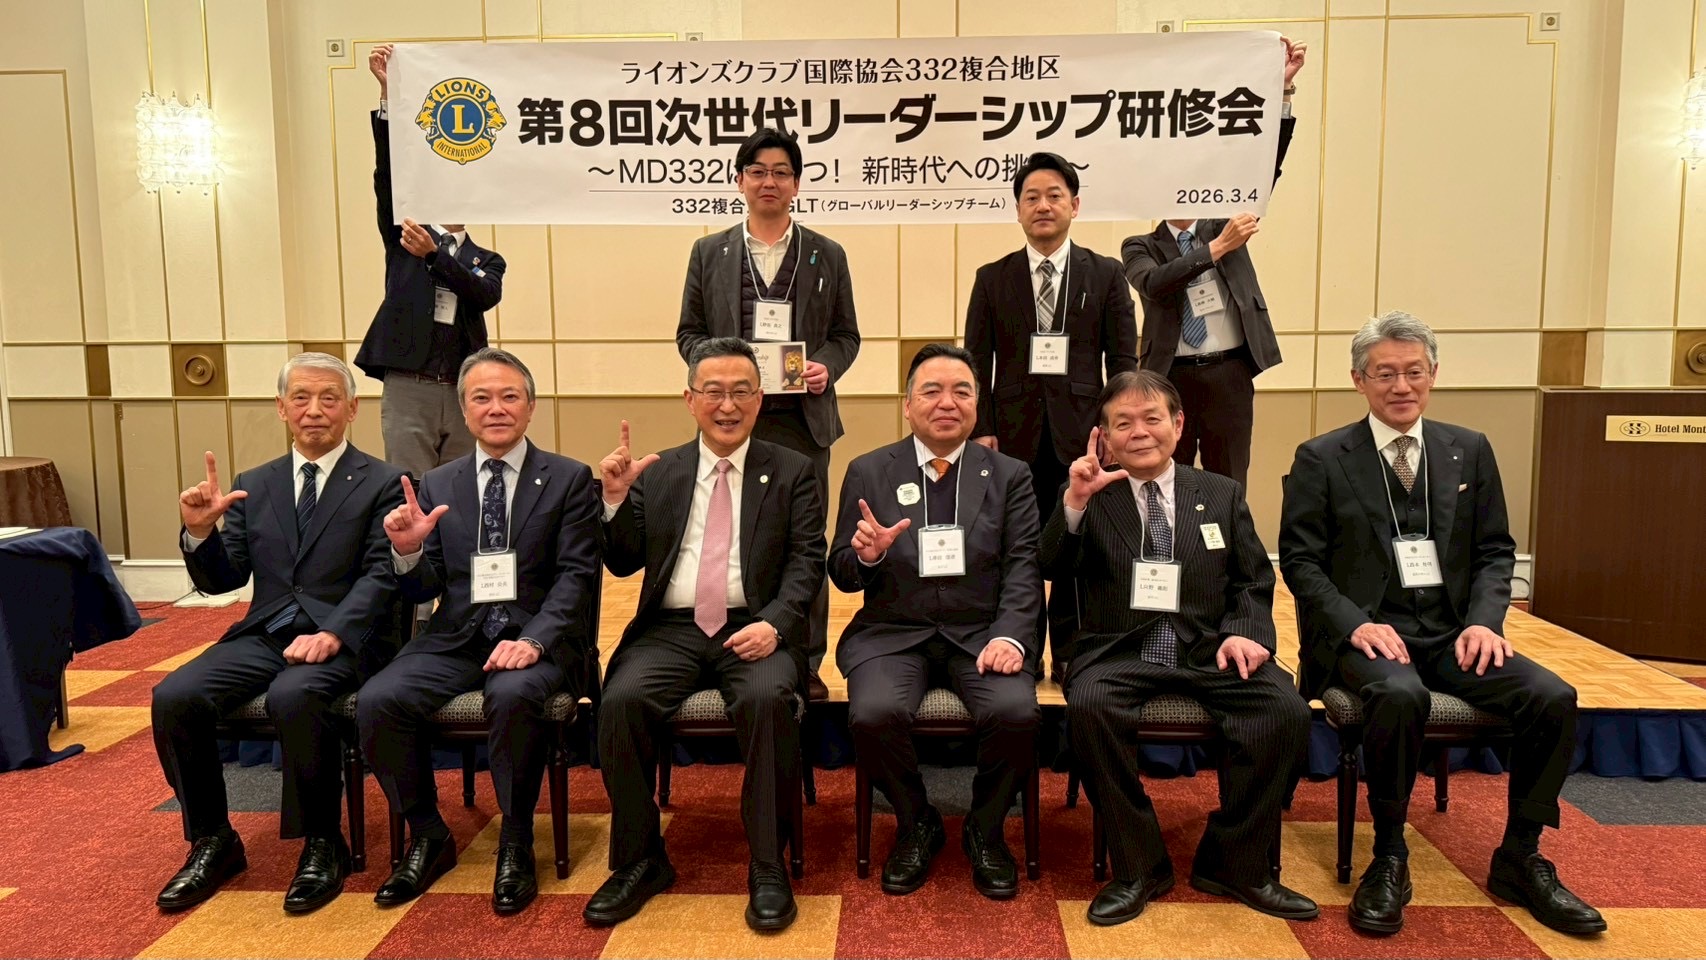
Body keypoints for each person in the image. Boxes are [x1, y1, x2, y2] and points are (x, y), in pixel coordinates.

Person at [1278, 312, 1604, 937]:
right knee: (1400, 695)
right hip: (1368, 636)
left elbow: (1495, 550)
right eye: (1385, 374)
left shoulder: (1469, 448)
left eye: (1414, 372)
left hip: (1455, 635)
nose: (1401, 386)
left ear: (1433, 375)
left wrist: (1485, 622)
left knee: (1553, 696)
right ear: (1359, 380)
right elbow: (1300, 561)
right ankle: (1389, 855)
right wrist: (1353, 625)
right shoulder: (1322, 457)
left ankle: (1521, 855)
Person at [1039, 370, 1317, 927]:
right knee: (1089, 708)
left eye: (1152, 418)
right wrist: (1073, 502)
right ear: (1104, 436)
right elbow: (1050, 565)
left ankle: (1234, 862)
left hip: (1209, 647)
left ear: (1178, 424)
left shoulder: (1219, 492)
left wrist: (1245, 631)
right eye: (1123, 423)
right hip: (1118, 651)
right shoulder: (1091, 493)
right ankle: (1138, 866)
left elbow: (1253, 578)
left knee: (1284, 710)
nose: (1139, 432)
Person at [586, 337, 825, 933]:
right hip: (671, 629)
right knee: (621, 700)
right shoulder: (660, 471)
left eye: (742, 391)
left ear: (760, 398)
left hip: (754, 624)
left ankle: (767, 863)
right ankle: (641, 859)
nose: (728, 405)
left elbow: (807, 561)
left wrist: (776, 624)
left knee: (768, 699)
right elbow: (623, 561)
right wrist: (614, 500)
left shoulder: (792, 469)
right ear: (689, 399)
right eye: (713, 392)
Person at [151, 353, 405, 914]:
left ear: (352, 409)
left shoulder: (384, 482)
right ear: (281, 408)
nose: (315, 410)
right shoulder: (255, 483)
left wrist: (334, 633)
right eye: (301, 398)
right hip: (267, 633)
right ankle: (213, 839)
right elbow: (224, 579)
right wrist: (200, 534)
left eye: (329, 399)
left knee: (296, 693)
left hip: (348, 638)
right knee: (174, 695)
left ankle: (323, 842)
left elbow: (381, 574)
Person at [358, 348, 601, 915]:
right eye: (482, 398)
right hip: (458, 635)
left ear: (531, 407)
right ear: (464, 411)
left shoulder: (568, 478)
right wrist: (409, 551)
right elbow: (426, 586)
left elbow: (576, 577)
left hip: (538, 638)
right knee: (378, 699)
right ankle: (428, 833)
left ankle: (515, 839)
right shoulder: (438, 482)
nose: (496, 408)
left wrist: (534, 641)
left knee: (513, 696)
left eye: (509, 396)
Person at [829, 343, 1042, 900]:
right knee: (874, 714)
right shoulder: (868, 470)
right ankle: (916, 821)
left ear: (977, 404)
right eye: (931, 391)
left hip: (982, 633)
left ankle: (985, 829)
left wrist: (1010, 635)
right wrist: (868, 556)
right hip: (894, 632)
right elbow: (842, 571)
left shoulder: (1011, 475)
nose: (947, 402)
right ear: (907, 405)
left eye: (961, 391)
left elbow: (1024, 564)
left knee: (1017, 713)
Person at [676, 127, 860, 701]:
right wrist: (719, 375)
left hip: (803, 421)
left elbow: (846, 336)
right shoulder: (709, 252)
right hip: (731, 418)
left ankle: (805, 659)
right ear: (740, 181)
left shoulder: (828, 253)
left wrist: (827, 367)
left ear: (796, 184)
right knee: (731, 534)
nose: (769, 182)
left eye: (781, 172)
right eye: (757, 171)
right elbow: (689, 334)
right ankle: (729, 646)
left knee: (805, 541)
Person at [964, 151, 1138, 682]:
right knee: (1016, 546)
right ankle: (1019, 643)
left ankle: (1070, 649)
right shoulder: (992, 278)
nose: (1043, 206)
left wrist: (1114, 429)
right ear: (1018, 209)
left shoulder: (1106, 274)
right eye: (1031, 197)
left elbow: (1123, 361)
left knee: (1077, 543)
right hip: (1011, 436)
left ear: (1075, 206)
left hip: (1084, 437)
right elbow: (977, 361)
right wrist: (983, 428)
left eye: (1054, 196)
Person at [1121, 36, 1307, 487]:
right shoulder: (1140, 245)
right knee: (1170, 479)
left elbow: (1266, 169)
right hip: (1171, 377)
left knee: (1231, 478)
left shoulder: (1225, 221)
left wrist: (1282, 91)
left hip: (1229, 371)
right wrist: (1216, 249)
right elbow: (1154, 284)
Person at [354, 43, 505, 483]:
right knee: (409, 486)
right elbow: (387, 180)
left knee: (462, 486)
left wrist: (436, 256)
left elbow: (484, 294)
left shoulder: (487, 259)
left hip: (463, 386)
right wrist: (388, 98)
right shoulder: (408, 238)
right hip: (409, 383)